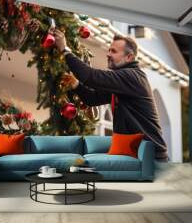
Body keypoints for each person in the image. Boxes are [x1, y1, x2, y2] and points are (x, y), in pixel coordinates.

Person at [53, 29, 168, 161]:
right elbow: (92, 98)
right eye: (109, 50)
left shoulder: (132, 76)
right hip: (136, 155)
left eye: (113, 51)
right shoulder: (121, 83)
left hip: (152, 159)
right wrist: (76, 85)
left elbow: (90, 76)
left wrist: (65, 49)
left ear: (129, 57)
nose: (108, 54)